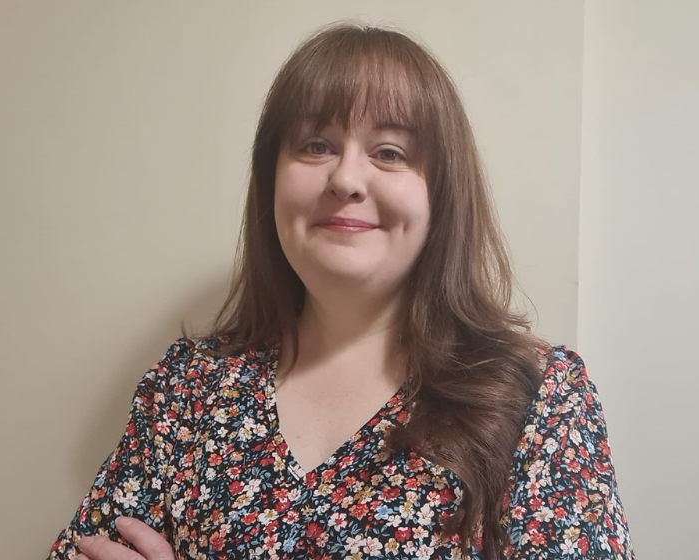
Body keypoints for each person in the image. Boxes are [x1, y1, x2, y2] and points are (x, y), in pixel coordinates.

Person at [48, 22, 635, 560]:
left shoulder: (538, 399)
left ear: (441, 195)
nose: (346, 179)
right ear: (270, 179)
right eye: (315, 145)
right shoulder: (188, 389)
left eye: (390, 152)